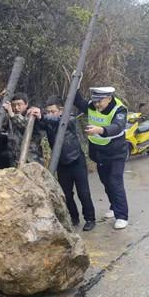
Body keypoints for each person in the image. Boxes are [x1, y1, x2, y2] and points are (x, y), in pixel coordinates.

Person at [73, 86, 129, 230]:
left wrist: (100, 130)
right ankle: (113, 206)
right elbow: (78, 101)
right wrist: (76, 84)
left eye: (100, 102)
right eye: (95, 101)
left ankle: (122, 216)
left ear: (109, 98)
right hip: (100, 153)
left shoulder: (119, 109)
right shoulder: (92, 106)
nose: (97, 105)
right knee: (106, 181)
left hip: (116, 153)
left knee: (115, 181)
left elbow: (117, 126)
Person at [41, 96, 96, 231]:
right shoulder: (49, 121)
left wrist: (42, 116)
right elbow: (40, 122)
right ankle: (74, 218)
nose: (50, 114)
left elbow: (59, 122)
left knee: (83, 192)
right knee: (66, 194)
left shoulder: (70, 119)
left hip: (76, 160)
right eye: (48, 111)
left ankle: (90, 218)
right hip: (61, 162)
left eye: (52, 111)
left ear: (61, 110)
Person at [1, 92, 45, 166]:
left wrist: (12, 115)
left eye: (19, 105)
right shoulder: (11, 116)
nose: (16, 108)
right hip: (15, 158)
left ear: (26, 104)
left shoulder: (32, 114)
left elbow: (25, 126)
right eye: (14, 105)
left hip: (31, 159)